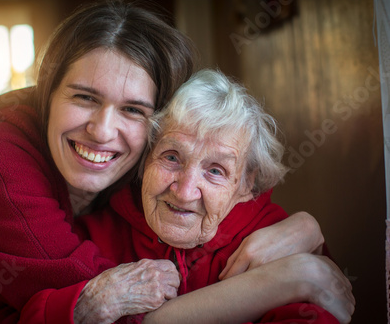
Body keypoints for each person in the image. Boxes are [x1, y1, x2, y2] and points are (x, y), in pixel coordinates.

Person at [0, 0, 337, 324]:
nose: (102, 131)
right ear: (47, 91)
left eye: (133, 109)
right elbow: (111, 305)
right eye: (84, 97)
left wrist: (306, 230)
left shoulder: (146, 174)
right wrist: (290, 277)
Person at [58, 69, 353, 323]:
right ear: (146, 157)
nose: (185, 192)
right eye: (172, 157)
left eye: (215, 171)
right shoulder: (87, 237)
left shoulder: (274, 239)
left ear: (246, 184)